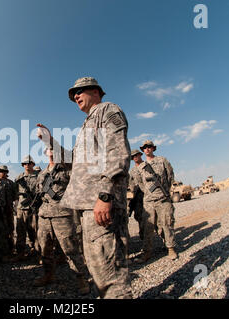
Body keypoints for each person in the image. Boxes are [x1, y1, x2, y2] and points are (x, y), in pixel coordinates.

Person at [43, 77, 132, 299]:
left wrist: (105, 194)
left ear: (96, 91)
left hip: (100, 203)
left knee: (110, 274)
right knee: (98, 271)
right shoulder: (87, 125)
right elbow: (73, 161)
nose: (75, 96)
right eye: (74, 94)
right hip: (88, 207)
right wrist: (50, 141)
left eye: (80, 91)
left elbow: (118, 152)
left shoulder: (107, 110)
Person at [32, 143, 90, 295]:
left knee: (70, 248)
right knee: (44, 248)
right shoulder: (42, 174)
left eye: (53, 149)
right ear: (45, 153)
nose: (51, 151)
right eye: (48, 149)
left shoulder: (67, 170)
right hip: (44, 216)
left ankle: (81, 278)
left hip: (62, 214)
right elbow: (40, 193)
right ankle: (49, 275)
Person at [134, 140, 178, 262]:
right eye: (144, 148)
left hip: (163, 198)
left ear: (153, 148)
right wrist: (148, 192)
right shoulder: (140, 167)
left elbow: (170, 176)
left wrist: (164, 190)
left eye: (149, 147)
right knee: (147, 227)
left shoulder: (162, 160)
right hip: (148, 201)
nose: (147, 149)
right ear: (143, 151)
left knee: (166, 223)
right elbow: (140, 184)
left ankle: (170, 248)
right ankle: (147, 252)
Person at [13, 155, 40, 261]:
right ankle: (20, 253)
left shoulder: (39, 176)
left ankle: (38, 253)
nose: (27, 165)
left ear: (33, 164)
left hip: (34, 208)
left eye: (29, 163)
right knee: (20, 232)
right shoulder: (19, 178)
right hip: (22, 208)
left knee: (36, 232)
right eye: (25, 164)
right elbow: (15, 193)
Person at [128, 149, 146, 242]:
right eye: (133, 156)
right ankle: (145, 243)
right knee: (140, 219)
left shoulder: (147, 166)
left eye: (136, 155)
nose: (135, 157)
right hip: (137, 199)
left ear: (140, 155)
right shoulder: (132, 171)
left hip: (148, 197)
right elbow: (130, 184)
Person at [0, 165, 16, 253]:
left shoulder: (10, 183)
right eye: (1, 171)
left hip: (8, 209)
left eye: (4, 171)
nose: (3, 173)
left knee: (10, 228)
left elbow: (15, 196)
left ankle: (11, 247)